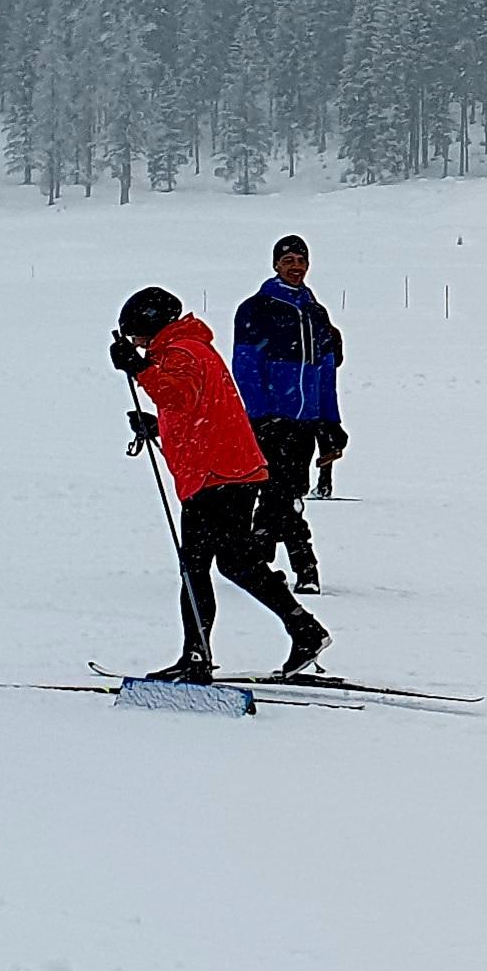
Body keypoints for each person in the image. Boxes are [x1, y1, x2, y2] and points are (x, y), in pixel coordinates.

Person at [113, 286, 329, 682]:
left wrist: (138, 370)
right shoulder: (184, 351)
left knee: (196, 567)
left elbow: (179, 393)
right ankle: (303, 630)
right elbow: (197, 412)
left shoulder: (183, 353)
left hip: (218, 477)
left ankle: (196, 657)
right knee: (234, 562)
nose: (135, 344)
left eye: (135, 336)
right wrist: (157, 425)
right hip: (227, 471)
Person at [232, 234, 345, 592]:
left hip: (305, 421)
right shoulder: (256, 308)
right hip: (269, 420)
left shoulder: (316, 313)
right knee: (279, 491)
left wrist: (330, 422)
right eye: (288, 260)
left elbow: (325, 373)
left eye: (301, 260)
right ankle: (304, 565)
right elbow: (246, 366)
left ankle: (256, 556)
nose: (296, 267)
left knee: (284, 492)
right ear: (275, 264)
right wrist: (262, 414)